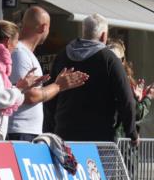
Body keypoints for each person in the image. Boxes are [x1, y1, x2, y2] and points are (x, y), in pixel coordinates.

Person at [49, 14, 137, 144]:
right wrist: (132, 133)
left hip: (65, 133)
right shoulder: (109, 59)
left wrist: (51, 128)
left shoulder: (62, 56)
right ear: (103, 36)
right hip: (99, 137)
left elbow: (51, 96)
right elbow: (126, 99)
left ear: (83, 32)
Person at [7, 6, 88, 141]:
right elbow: (30, 96)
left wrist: (58, 85)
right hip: (20, 131)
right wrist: (58, 86)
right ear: (44, 27)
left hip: (25, 131)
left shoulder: (24, 53)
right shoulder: (20, 53)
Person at [108, 39, 154, 139]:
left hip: (92, 138)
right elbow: (135, 113)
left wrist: (136, 98)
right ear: (122, 60)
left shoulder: (98, 77)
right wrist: (148, 97)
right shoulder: (119, 82)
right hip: (115, 141)